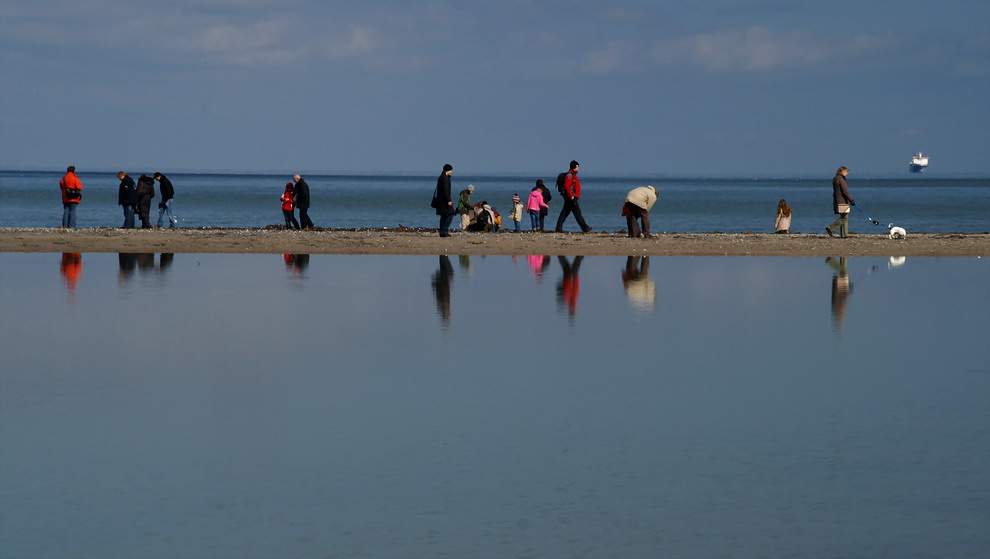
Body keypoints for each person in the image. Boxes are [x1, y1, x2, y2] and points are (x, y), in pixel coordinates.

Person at [554, 160, 592, 233]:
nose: (579, 168)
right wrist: (571, 196)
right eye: (578, 166)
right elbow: (566, 186)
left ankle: (558, 227)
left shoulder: (573, 175)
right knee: (577, 213)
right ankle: (585, 228)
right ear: (575, 167)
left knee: (564, 213)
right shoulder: (570, 175)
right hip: (571, 197)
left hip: (570, 197)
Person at [826, 166, 854, 238]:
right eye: (846, 172)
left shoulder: (835, 179)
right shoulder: (841, 180)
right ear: (842, 172)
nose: (847, 174)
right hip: (842, 201)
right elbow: (845, 192)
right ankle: (831, 228)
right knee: (844, 217)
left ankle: (844, 234)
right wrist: (851, 199)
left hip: (837, 200)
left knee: (844, 216)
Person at [434, 164, 456, 237]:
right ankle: (445, 230)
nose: (452, 172)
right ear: (448, 170)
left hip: (440, 201)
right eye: (451, 170)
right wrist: (448, 200)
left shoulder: (441, 177)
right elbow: (445, 190)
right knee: (451, 214)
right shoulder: (445, 178)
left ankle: (442, 232)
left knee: (443, 216)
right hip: (444, 201)